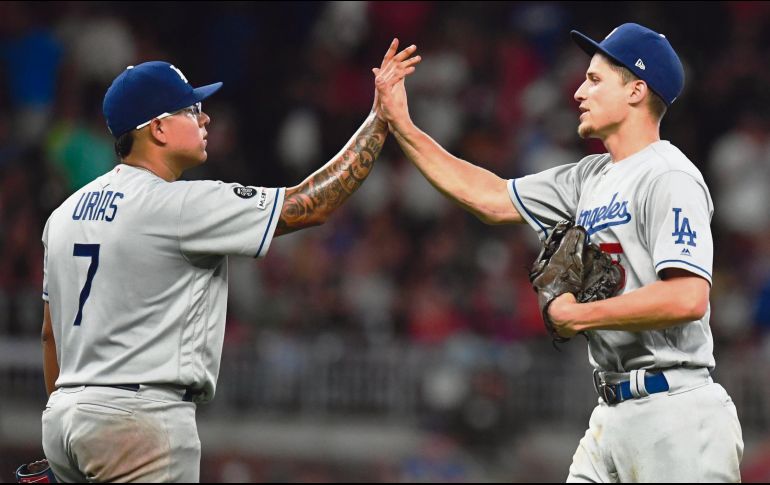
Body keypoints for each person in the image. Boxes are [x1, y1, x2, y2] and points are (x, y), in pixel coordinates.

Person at [375, 23, 743, 482]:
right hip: (612, 414)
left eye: (594, 80)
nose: (578, 92)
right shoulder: (589, 177)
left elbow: (687, 298)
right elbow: (490, 198)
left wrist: (578, 315)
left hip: (677, 413)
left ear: (636, 90)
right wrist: (403, 125)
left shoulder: (669, 176)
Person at [40, 39, 420, 483]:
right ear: (157, 129)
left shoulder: (63, 215)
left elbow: (50, 334)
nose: (205, 118)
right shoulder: (177, 205)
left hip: (63, 417)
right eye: (191, 110)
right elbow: (311, 205)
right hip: (139, 419)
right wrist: (379, 120)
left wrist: (69, 417)